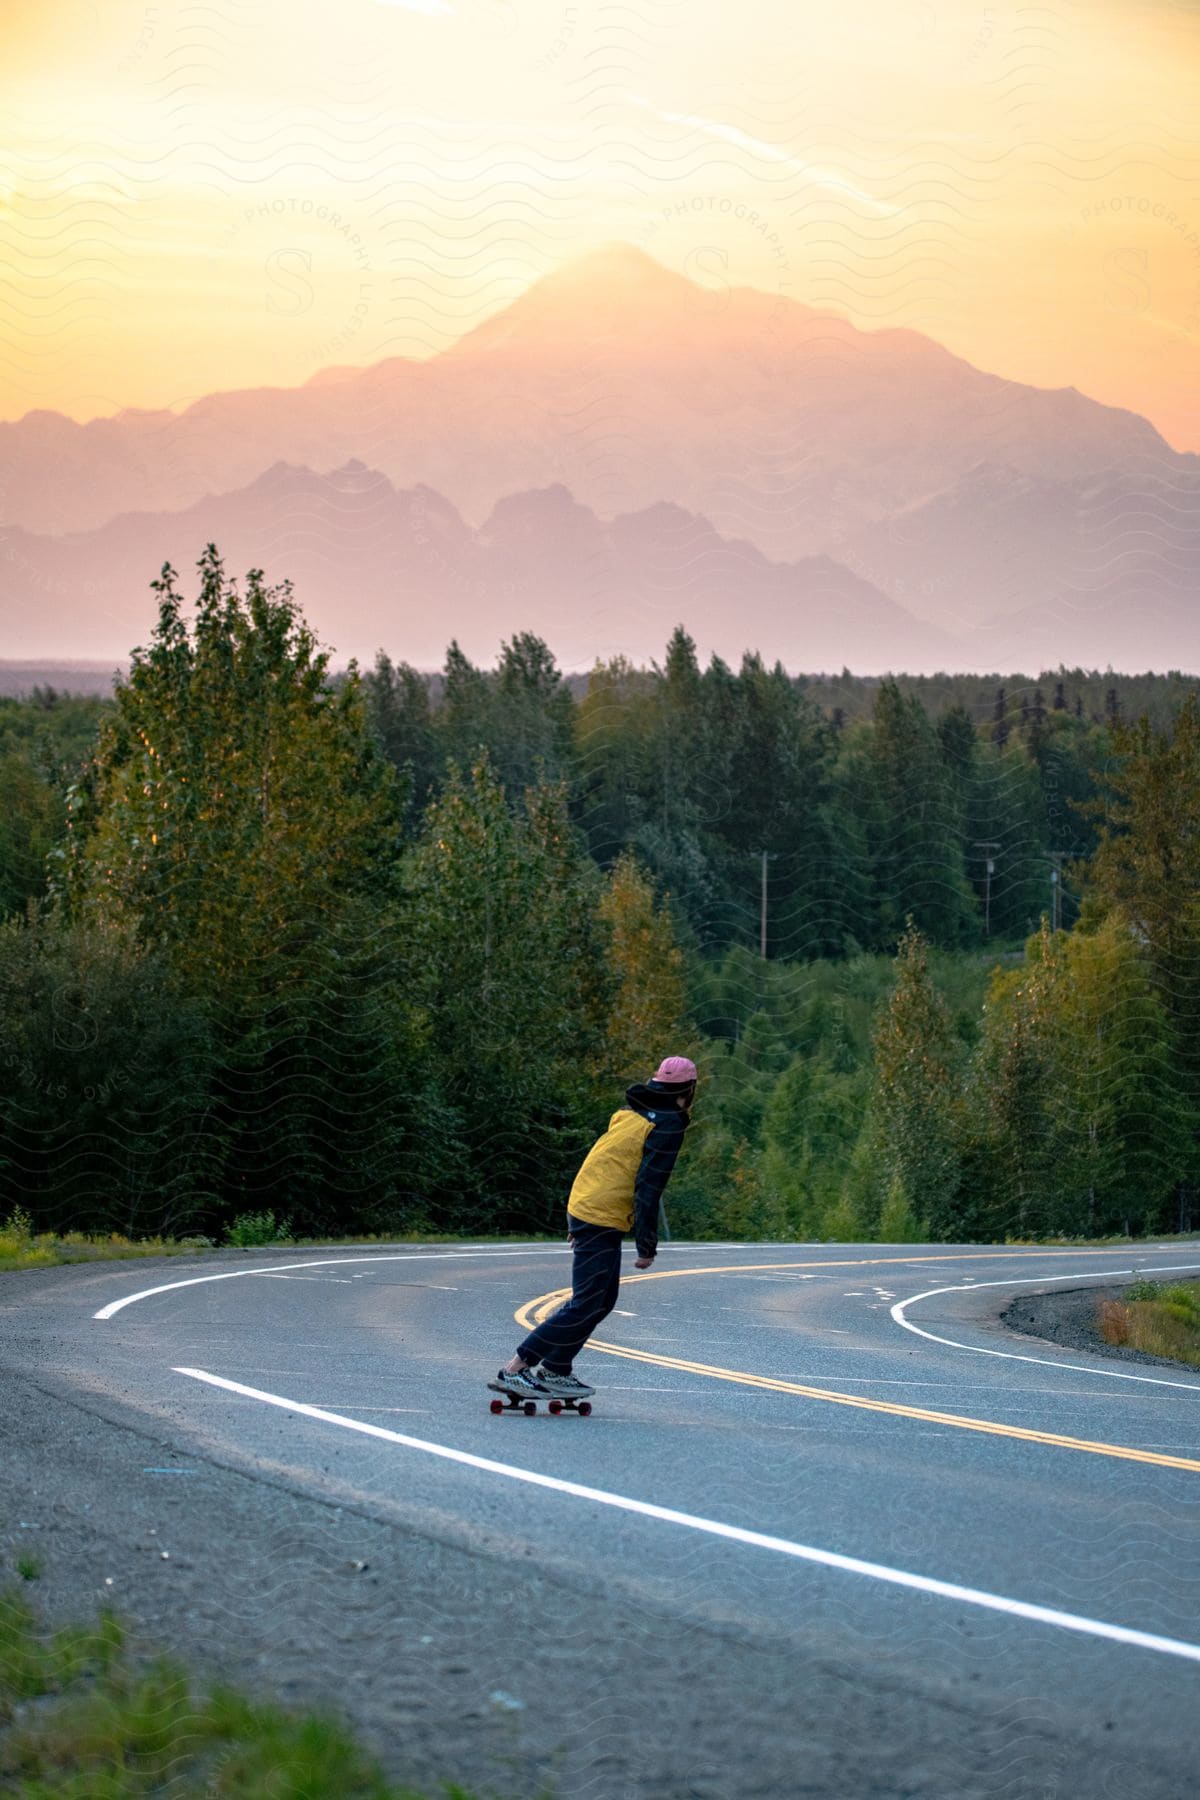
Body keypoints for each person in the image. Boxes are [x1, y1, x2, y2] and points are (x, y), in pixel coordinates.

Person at [490, 1055, 698, 1402]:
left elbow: (600, 1159)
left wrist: (578, 1215)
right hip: (599, 1213)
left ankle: (556, 1369)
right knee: (588, 1301)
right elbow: (649, 1188)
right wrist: (646, 1244)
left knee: (601, 1300)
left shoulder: (629, 1114)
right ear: (690, 1090)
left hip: (588, 1203)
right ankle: (514, 1370)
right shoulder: (668, 1124)